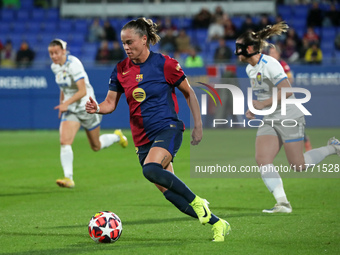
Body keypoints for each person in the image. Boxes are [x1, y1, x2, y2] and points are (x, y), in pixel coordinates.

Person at [85, 17, 230, 241]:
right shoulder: (121, 69)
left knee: (150, 170)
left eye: (130, 42)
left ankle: (197, 201)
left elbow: (189, 93)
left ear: (144, 40)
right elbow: (110, 103)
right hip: (142, 140)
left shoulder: (166, 64)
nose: (126, 47)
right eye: (123, 43)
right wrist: (97, 108)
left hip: (167, 129)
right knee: (171, 195)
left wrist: (198, 126)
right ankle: (218, 223)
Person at [235, 21, 340, 213]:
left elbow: (287, 91)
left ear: (249, 48)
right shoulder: (250, 68)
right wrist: (256, 109)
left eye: (239, 47)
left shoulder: (270, 64)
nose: (237, 51)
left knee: (298, 165)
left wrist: (263, 104)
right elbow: (264, 96)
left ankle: (333, 147)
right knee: (262, 159)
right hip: (269, 117)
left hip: (289, 114)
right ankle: (282, 203)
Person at [48, 38, 128, 189]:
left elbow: (82, 90)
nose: (53, 56)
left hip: (87, 107)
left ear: (63, 51)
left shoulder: (74, 64)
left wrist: (66, 103)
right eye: (51, 53)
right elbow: (63, 88)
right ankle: (68, 178)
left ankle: (117, 136)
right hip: (71, 109)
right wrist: (62, 105)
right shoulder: (55, 67)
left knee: (96, 145)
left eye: (56, 52)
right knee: (64, 141)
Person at [268, 46, 312, 151]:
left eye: (274, 53)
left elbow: (290, 79)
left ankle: (305, 140)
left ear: (279, 54)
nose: (272, 55)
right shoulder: (268, 66)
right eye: (270, 53)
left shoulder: (283, 65)